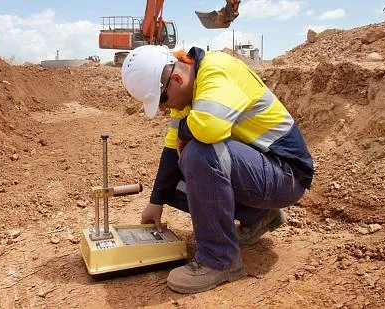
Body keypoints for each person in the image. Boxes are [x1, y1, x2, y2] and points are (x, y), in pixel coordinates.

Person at [120, 45, 315, 294]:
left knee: (199, 153)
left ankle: (219, 260)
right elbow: (171, 150)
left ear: (176, 79)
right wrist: (156, 201)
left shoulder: (216, 71)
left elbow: (209, 128)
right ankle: (258, 216)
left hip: (286, 174)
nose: (164, 109)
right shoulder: (189, 93)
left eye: (162, 101)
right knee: (176, 180)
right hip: (263, 172)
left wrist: (183, 134)